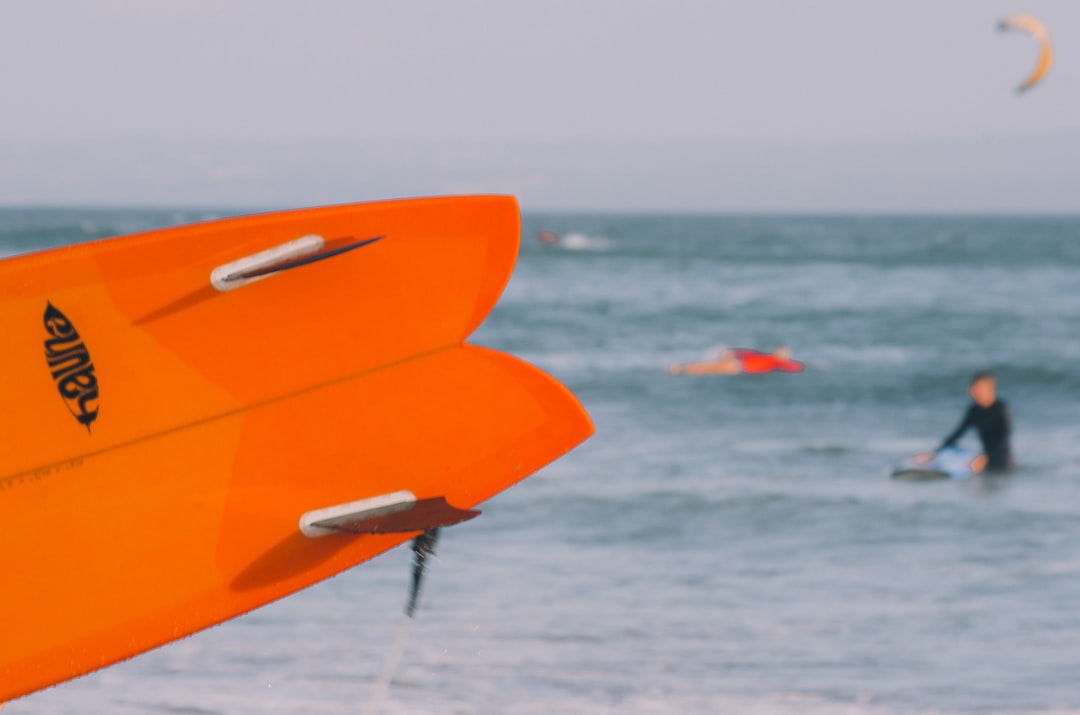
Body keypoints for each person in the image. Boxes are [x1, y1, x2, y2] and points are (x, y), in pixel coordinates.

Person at [921, 370, 1014, 473]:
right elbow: (957, 434)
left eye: (978, 387)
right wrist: (935, 453)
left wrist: (985, 457)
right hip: (983, 463)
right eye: (972, 386)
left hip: (1003, 465)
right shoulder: (974, 410)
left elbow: (1003, 439)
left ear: (990, 388)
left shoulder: (1001, 409)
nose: (973, 390)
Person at [668, 345, 804, 375]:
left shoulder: (765, 356)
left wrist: (731, 351)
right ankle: (680, 369)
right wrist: (804, 367)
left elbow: (746, 352)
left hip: (736, 362)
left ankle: (680, 368)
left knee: (706, 367)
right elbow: (793, 367)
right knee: (707, 369)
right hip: (737, 366)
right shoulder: (775, 361)